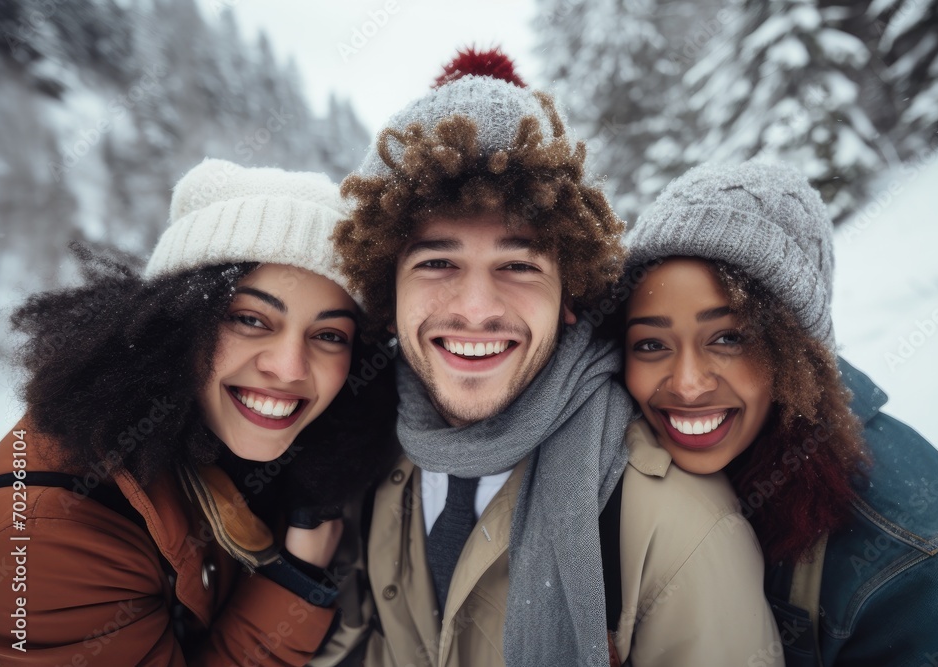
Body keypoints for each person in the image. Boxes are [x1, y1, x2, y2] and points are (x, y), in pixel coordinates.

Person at [313, 48, 781, 667]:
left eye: (518, 265)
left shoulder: (675, 532)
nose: (476, 309)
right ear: (387, 289)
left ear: (570, 293)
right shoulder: (373, 463)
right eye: (436, 263)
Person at [0, 158, 396, 665]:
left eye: (329, 335)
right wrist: (295, 582)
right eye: (251, 319)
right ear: (178, 323)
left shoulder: (269, 457)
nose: (290, 367)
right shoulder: (55, 526)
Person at [620, 160, 938, 666]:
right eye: (651, 343)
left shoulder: (922, 566)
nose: (687, 384)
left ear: (795, 350)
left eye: (729, 337)